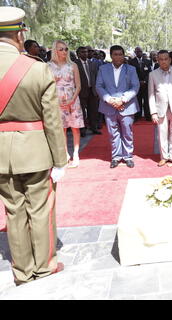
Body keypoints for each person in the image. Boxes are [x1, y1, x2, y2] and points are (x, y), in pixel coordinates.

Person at [0, 6, 67, 285]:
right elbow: (52, 120)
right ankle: (44, 266)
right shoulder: (37, 69)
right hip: (36, 152)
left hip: (2, 154)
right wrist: (60, 160)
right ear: (19, 35)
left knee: (13, 211)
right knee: (39, 209)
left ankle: (22, 271)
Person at [96, 45, 140, 169]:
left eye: (120, 54)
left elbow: (135, 86)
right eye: (115, 54)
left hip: (127, 106)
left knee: (127, 132)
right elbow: (99, 86)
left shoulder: (131, 69)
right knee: (113, 133)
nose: (118, 57)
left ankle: (128, 156)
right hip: (108, 106)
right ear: (111, 56)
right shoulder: (102, 69)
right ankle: (116, 156)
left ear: (123, 55)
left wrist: (122, 99)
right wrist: (110, 100)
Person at [48, 40, 84, 168]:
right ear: (55, 50)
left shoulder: (73, 65)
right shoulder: (49, 66)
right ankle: (66, 154)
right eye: (61, 49)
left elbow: (78, 85)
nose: (64, 51)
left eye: (66, 49)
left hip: (73, 99)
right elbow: (48, 86)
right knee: (61, 129)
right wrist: (56, 100)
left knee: (75, 128)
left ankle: (76, 154)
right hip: (57, 100)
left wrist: (72, 99)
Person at [75, 46, 101, 135]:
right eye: (82, 52)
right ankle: (82, 130)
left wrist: (97, 90)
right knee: (81, 112)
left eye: (86, 52)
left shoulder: (92, 63)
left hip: (92, 91)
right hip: (81, 91)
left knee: (93, 111)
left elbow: (96, 77)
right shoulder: (74, 64)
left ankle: (94, 128)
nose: (85, 53)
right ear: (78, 54)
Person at [129, 46, 152, 121]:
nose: (139, 53)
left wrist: (145, 81)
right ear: (135, 52)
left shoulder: (147, 61)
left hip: (145, 84)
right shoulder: (131, 62)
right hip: (136, 85)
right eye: (137, 51)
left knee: (146, 101)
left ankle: (148, 116)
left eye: (140, 51)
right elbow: (131, 73)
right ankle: (137, 116)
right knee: (137, 100)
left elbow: (149, 73)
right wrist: (138, 81)